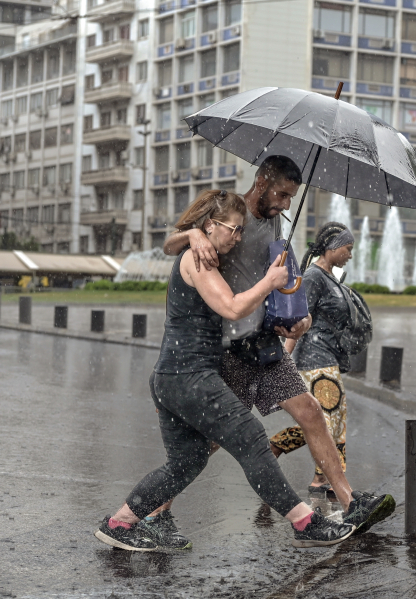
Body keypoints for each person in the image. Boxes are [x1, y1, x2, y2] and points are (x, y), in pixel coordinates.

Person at [95, 190, 356, 551]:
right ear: (210, 225)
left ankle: (120, 522)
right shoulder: (198, 260)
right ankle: (303, 521)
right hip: (190, 377)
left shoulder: (202, 252)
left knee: (186, 463)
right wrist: (270, 280)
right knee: (250, 439)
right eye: (233, 230)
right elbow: (232, 308)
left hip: (173, 377)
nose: (237, 237)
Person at [161, 156, 395, 532]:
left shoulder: (274, 223)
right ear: (262, 179)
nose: (286, 204)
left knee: (311, 413)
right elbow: (169, 246)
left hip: (265, 345)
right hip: (232, 350)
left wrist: (295, 320)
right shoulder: (229, 215)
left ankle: (350, 503)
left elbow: (275, 283)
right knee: (209, 441)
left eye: (291, 197)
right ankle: (158, 510)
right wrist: (191, 234)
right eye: (282, 194)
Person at [269, 222, 359, 494]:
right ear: (332, 248)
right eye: (348, 248)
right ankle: (323, 479)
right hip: (314, 359)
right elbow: (297, 321)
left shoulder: (330, 277)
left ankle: (278, 447)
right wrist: (282, 361)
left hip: (328, 357)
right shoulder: (313, 277)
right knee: (327, 419)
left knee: (332, 419)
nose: (350, 255)